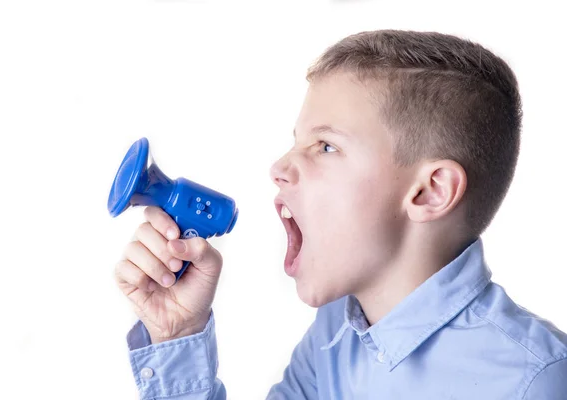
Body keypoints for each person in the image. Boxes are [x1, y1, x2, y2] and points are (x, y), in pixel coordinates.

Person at [114, 29, 567, 399]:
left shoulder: (533, 380)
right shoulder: (336, 335)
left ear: (429, 192)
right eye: (296, 140)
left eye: (326, 146)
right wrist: (178, 332)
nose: (279, 167)